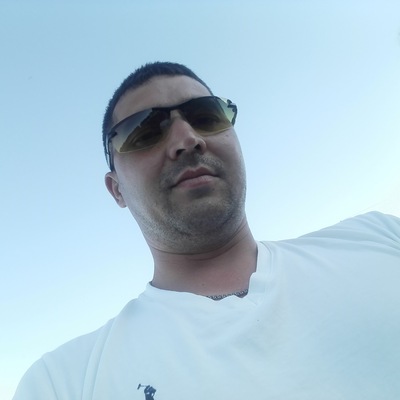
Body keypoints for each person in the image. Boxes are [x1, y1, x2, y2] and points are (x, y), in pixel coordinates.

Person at [14, 62, 400, 400]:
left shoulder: (380, 238)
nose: (187, 140)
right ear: (117, 190)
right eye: (144, 131)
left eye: (206, 115)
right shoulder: (65, 383)